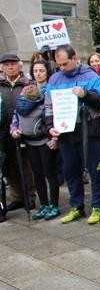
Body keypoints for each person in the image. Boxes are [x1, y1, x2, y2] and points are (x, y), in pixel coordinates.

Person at [45, 45, 100, 224]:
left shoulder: (90, 76)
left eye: (65, 64)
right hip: (66, 133)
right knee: (71, 171)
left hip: (90, 131)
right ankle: (77, 206)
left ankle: (97, 207)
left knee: (96, 171)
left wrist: (86, 94)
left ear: (75, 58)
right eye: (59, 65)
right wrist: (50, 127)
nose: (62, 68)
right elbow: (49, 106)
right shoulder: (55, 79)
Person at [10, 81, 60, 220]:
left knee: (45, 174)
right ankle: (47, 204)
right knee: (44, 174)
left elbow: (15, 121)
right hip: (37, 142)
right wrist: (14, 130)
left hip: (41, 142)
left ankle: (51, 204)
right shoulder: (39, 105)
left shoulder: (21, 106)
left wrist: (55, 140)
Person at [0, 53, 36, 211]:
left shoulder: (27, 84)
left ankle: (30, 196)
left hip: (22, 130)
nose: (10, 67)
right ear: (2, 68)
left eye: (13, 64)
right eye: (6, 64)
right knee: (8, 166)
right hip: (3, 131)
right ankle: (17, 196)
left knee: (25, 165)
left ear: (19, 65)